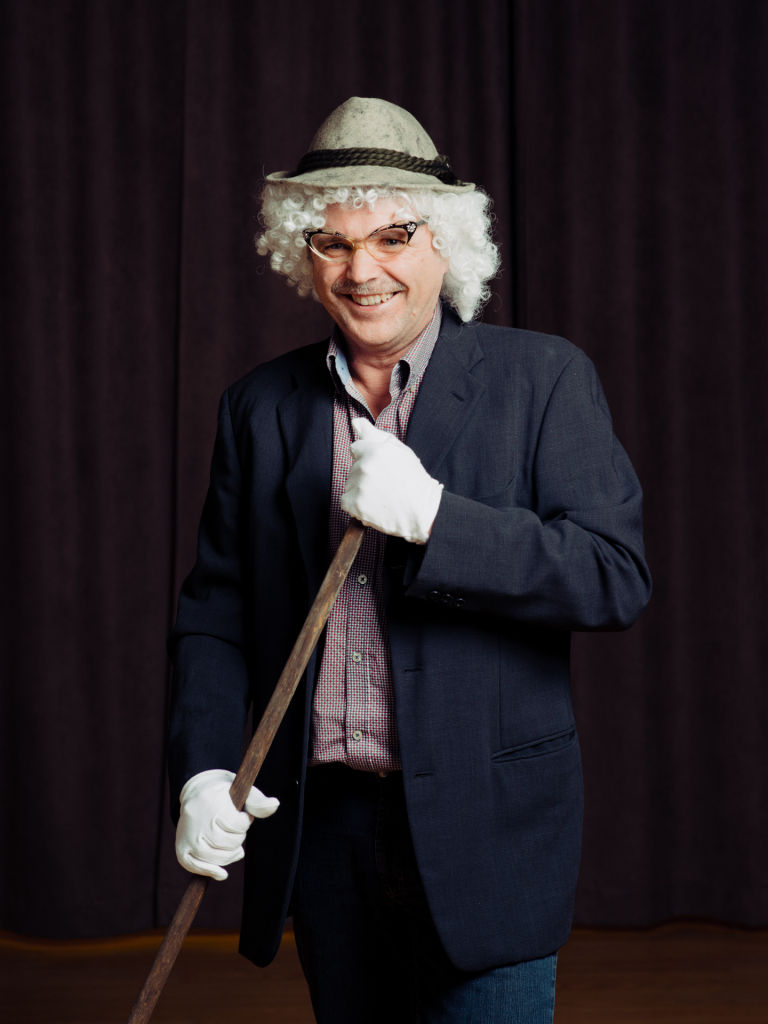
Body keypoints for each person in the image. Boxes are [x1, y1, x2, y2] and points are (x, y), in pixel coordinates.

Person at [168, 96, 651, 1023]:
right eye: (333, 243)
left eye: (394, 236)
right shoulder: (259, 408)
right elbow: (215, 616)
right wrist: (201, 768)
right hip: (325, 834)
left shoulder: (543, 378)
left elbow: (613, 575)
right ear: (302, 255)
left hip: (489, 825)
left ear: (447, 245)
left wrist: (439, 520)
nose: (364, 271)